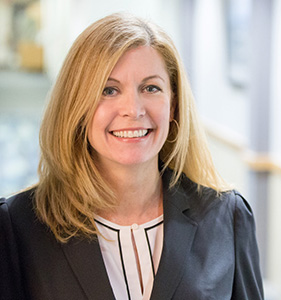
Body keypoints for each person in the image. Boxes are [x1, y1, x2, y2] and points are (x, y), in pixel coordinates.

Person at [0, 13, 264, 300]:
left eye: (151, 88)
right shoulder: (18, 226)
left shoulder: (227, 217)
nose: (133, 109)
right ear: (77, 106)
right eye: (109, 90)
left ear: (173, 105)